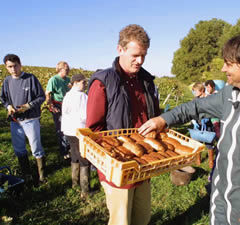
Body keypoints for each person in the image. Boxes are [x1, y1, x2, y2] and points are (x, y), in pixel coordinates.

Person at [139, 31, 240, 225]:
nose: (223, 69)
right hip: (220, 204)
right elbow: (195, 107)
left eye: (229, 63)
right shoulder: (229, 95)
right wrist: (163, 120)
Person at [86, 24, 160, 225]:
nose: (140, 61)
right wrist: (115, 157)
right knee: (121, 220)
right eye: (135, 55)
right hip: (118, 168)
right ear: (120, 49)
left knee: (142, 217)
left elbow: (155, 115)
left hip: (145, 162)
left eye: (144, 55)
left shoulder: (146, 81)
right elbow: (94, 130)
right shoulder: (103, 82)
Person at [0, 54, 46, 184]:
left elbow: (41, 97)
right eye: (10, 66)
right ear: (6, 67)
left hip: (30, 119)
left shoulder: (30, 78)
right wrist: (8, 106)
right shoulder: (7, 81)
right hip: (15, 121)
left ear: (20, 64)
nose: (13, 69)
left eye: (15, 66)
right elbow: (3, 98)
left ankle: (41, 175)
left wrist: (28, 106)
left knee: (36, 147)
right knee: (19, 149)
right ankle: (27, 174)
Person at [61, 74, 90, 198]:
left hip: (68, 130)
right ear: (76, 82)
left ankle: (74, 184)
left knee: (74, 155)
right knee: (84, 158)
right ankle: (85, 190)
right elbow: (85, 115)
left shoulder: (68, 95)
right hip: (78, 130)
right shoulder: (82, 96)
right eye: (83, 82)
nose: (85, 85)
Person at [45, 61, 71, 159]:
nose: (68, 70)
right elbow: (48, 94)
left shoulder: (68, 80)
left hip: (68, 106)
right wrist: (51, 105)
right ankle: (64, 151)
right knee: (61, 128)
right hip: (58, 105)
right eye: (66, 69)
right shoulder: (54, 80)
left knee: (69, 127)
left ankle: (68, 148)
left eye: (68, 69)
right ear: (60, 69)